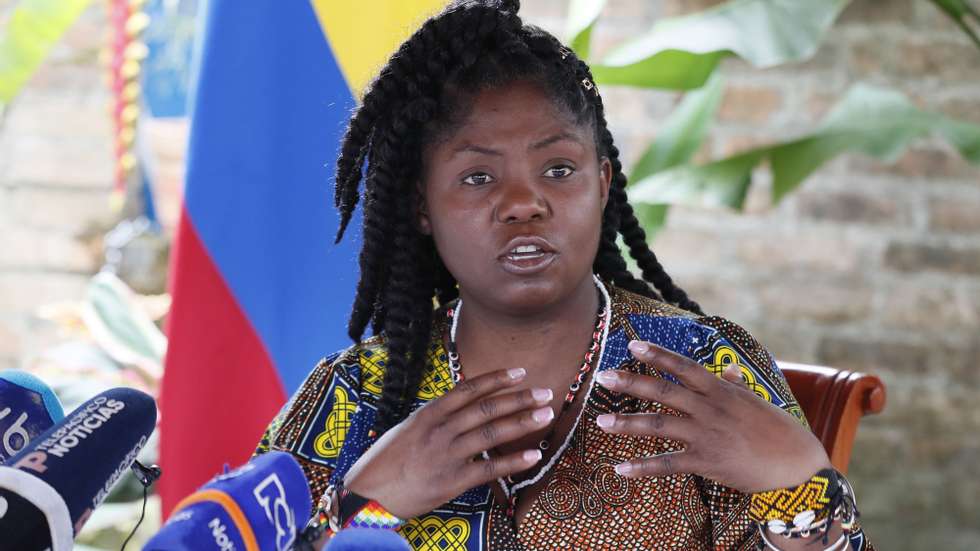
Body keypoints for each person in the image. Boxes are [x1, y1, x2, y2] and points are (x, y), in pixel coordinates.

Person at [255, 1, 874, 549]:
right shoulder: (353, 397)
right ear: (421, 206)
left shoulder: (708, 366)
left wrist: (798, 478)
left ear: (602, 185)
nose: (524, 203)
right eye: (477, 177)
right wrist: (366, 504)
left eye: (557, 169)